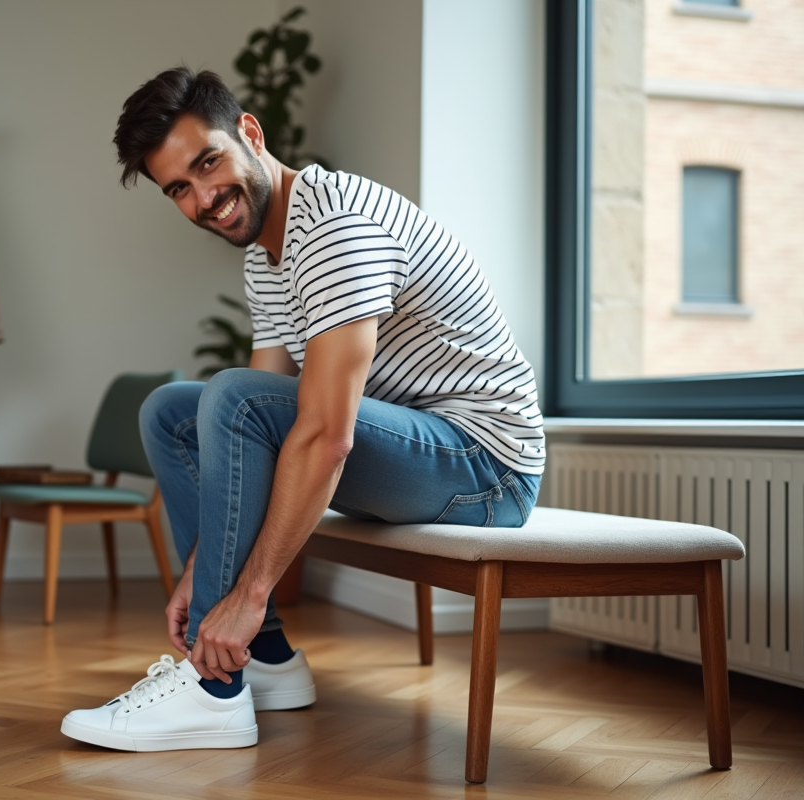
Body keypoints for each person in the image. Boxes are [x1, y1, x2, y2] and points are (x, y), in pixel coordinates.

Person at [60, 67, 545, 752]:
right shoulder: (268, 252)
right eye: (179, 189)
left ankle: (213, 688)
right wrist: (201, 569)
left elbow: (322, 434)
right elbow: (257, 410)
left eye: (208, 163)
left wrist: (246, 594)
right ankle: (268, 661)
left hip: (485, 466)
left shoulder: (335, 226)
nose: (205, 199)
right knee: (172, 409)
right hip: (419, 450)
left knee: (227, 395)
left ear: (250, 134)